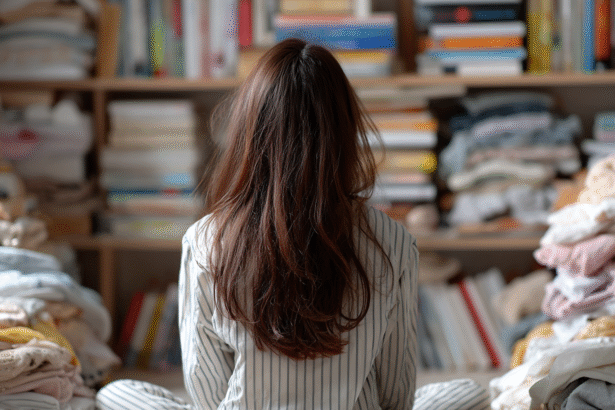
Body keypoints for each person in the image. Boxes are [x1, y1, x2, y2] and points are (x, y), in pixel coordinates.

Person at [98, 39, 488, 410]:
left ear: (250, 133)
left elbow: (207, 396)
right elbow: (395, 395)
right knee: (470, 391)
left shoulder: (205, 240)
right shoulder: (393, 240)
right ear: (345, 131)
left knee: (116, 393)